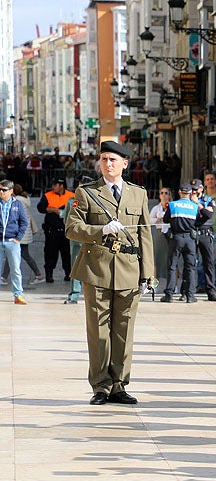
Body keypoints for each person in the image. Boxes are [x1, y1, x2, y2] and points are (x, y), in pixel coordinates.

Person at [64, 140, 155, 405]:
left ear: (125, 164)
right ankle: (101, 386)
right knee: (98, 331)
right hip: (97, 269)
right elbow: (72, 228)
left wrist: (148, 274)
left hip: (128, 269)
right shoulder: (87, 192)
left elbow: (145, 235)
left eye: (113, 160)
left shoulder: (138, 194)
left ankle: (119, 384)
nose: (107, 163)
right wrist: (99, 231)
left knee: (124, 331)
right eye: (103, 159)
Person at [160, 184, 207, 303]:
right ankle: (190, 295)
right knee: (190, 267)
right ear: (191, 194)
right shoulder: (194, 206)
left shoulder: (173, 205)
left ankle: (169, 295)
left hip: (176, 238)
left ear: (180, 192)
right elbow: (197, 220)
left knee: (172, 266)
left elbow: (166, 219)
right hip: (190, 239)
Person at [1, 183, 42, 286]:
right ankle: (4, 277)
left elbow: (18, 219)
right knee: (14, 255)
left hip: (20, 234)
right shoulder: (24, 199)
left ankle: (38, 275)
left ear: (12, 191)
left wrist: (17, 236)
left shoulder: (17, 202)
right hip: (25, 233)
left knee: (22, 255)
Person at [37, 177, 75, 282]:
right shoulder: (48, 195)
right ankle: (49, 274)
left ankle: (69, 274)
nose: (53, 187)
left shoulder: (71, 196)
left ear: (61, 186)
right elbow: (40, 208)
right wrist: (52, 210)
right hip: (52, 231)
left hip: (66, 231)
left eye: (55, 185)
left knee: (67, 254)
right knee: (50, 253)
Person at [0, 180, 28, 304]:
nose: (1, 192)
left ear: (11, 191)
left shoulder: (17, 204)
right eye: (0, 189)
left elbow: (24, 222)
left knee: (15, 269)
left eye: (4, 190)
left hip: (12, 241)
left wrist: (19, 237)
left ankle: (18, 294)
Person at [190, 180, 216, 301]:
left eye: (196, 189)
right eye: (192, 189)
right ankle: (188, 291)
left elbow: (208, 215)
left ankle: (211, 291)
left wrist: (199, 205)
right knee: (190, 263)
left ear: (201, 188)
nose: (194, 192)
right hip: (192, 232)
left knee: (209, 263)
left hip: (205, 234)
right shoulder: (187, 200)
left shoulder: (208, 200)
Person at [148, 187, 172, 290]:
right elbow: (149, 220)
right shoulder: (156, 208)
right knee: (156, 261)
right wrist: (158, 219)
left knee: (171, 260)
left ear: (169, 195)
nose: (164, 195)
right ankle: (154, 285)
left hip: (170, 234)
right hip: (159, 234)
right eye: (161, 193)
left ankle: (173, 285)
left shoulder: (173, 206)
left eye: (166, 193)